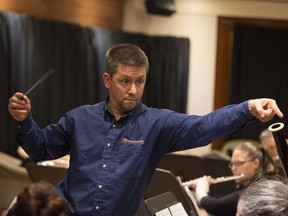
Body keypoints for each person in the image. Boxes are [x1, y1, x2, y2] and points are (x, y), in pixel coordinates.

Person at [8, 43, 284, 216]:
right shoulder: (79, 118)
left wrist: (247, 108)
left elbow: (203, 127)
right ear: (107, 79)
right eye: (125, 81)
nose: (133, 90)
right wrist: (25, 120)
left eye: (140, 82)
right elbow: (41, 148)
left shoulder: (157, 124)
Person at [191, 141, 278, 216]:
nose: (233, 168)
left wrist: (201, 191)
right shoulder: (251, 184)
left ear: (255, 163)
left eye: (238, 163)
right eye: (231, 164)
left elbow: (217, 207)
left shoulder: (258, 189)